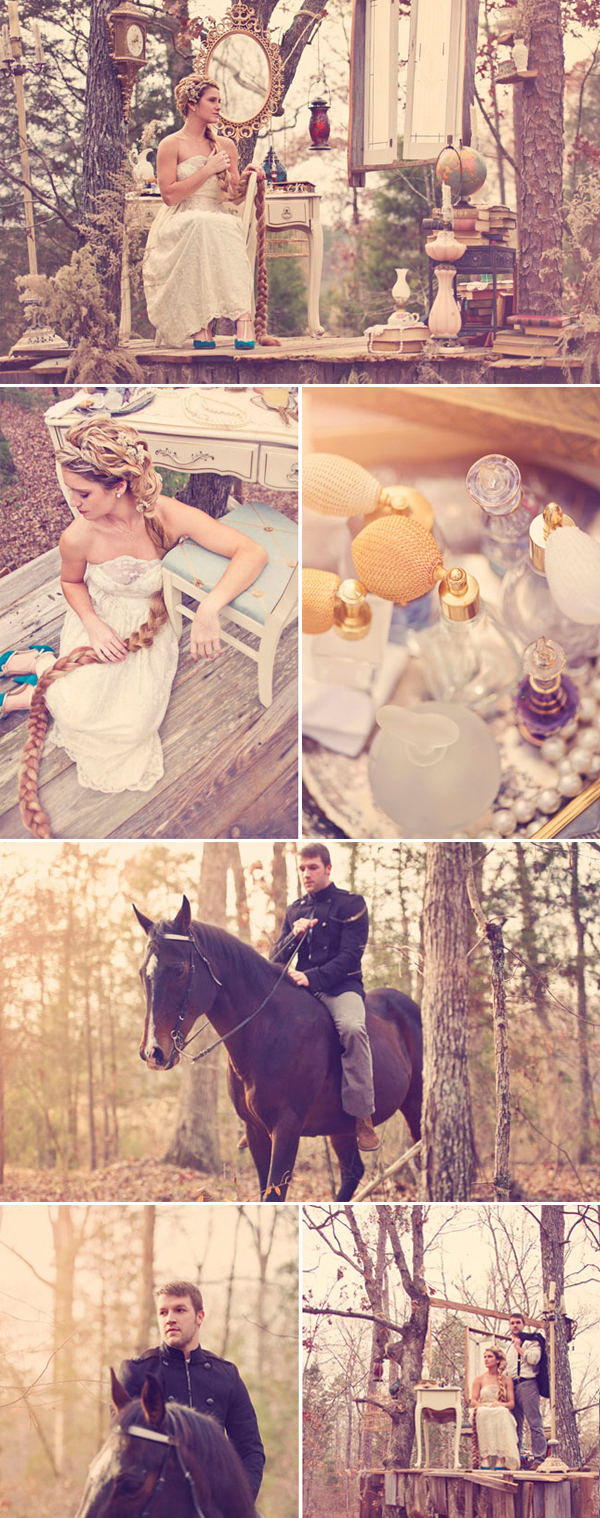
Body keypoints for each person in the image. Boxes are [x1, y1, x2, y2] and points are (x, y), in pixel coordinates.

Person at [13, 415, 267, 825]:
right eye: (69, 491)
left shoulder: (167, 515)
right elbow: (70, 581)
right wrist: (93, 624)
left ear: (118, 486)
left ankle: (37, 676)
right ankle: (42, 666)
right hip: (99, 620)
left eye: (82, 493)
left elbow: (251, 552)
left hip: (150, 626)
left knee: (133, 728)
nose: (73, 503)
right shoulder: (78, 535)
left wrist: (209, 607)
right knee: (78, 711)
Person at [72, 1278, 297, 1518]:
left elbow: (251, 1449)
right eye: (163, 1312)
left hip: (225, 1508)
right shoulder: (137, 1373)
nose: (170, 1319)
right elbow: (122, 1453)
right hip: (156, 1509)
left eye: (179, 1310)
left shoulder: (226, 1376)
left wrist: (239, 1503)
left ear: (200, 1316)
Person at [271, 843, 380, 1155]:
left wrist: (312, 977)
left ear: (328, 869)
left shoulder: (351, 904)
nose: (306, 873)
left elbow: (350, 956)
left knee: (352, 1029)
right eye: (302, 868)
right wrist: (294, 936)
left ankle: (362, 1115)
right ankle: (261, 1114)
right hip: (301, 991)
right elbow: (275, 961)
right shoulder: (295, 910)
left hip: (341, 988)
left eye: (313, 867)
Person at [143, 76, 260, 351]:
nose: (219, 106)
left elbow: (233, 194)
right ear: (193, 105)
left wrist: (248, 176)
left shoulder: (225, 145)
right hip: (183, 216)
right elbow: (170, 196)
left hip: (214, 215)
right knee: (201, 224)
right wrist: (207, 169)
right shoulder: (171, 144)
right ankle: (199, 324)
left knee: (223, 226)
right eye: (212, 101)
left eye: (220, 101)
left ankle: (243, 318)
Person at [504, 1315, 548, 1467]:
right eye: (512, 1323)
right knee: (515, 1424)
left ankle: (539, 1459)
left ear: (523, 1324)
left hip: (528, 1384)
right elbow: (508, 1369)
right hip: (512, 1387)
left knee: (534, 1423)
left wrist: (519, 1348)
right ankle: (516, 1459)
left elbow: (534, 1359)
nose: (515, 1325)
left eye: (517, 1322)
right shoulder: (508, 1347)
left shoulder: (532, 1341)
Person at [471, 1346, 520, 1471]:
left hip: (499, 1409)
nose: (486, 1359)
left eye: (490, 1357)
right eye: (485, 1357)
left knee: (502, 1413)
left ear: (498, 1360)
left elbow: (511, 1403)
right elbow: (474, 1401)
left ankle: (501, 1457)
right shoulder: (479, 1379)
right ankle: (485, 1456)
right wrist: (482, 1405)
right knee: (482, 1413)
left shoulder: (506, 1380)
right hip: (483, 1408)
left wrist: (502, 1404)